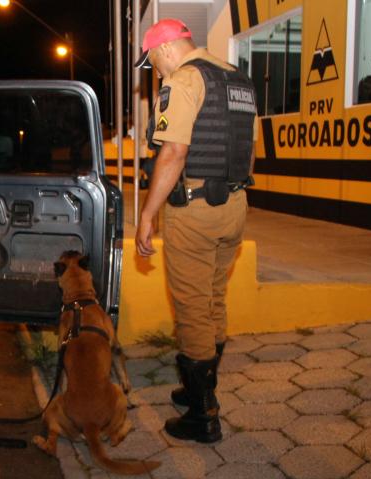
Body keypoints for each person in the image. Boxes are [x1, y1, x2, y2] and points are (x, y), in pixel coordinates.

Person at [134, 19, 257, 443]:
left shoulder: (185, 79)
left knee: (190, 307)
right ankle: (196, 389)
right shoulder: (236, 78)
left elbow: (173, 151)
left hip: (196, 210)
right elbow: (246, 148)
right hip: (235, 205)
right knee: (213, 297)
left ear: (166, 50)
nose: (156, 73)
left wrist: (148, 214)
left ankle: (203, 416)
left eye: (153, 65)